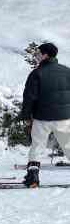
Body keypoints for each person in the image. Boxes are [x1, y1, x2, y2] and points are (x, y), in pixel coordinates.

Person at [21, 43, 70, 187]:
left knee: (37, 146)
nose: (36, 55)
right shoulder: (67, 71)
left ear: (45, 55)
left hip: (42, 117)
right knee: (68, 145)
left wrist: (26, 117)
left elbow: (29, 97)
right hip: (64, 117)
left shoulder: (37, 73)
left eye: (38, 53)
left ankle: (33, 177)